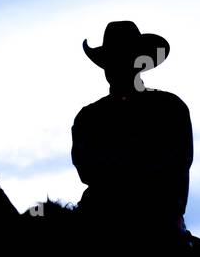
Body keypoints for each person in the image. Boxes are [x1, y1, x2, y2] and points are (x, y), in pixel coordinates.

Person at [70, 20, 192, 242]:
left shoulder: (170, 109)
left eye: (123, 59)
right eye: (112, 61)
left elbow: (177, 164)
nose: (116, 67)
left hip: (159, 222)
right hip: (99, 220)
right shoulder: (88, 117)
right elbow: (86, 171)